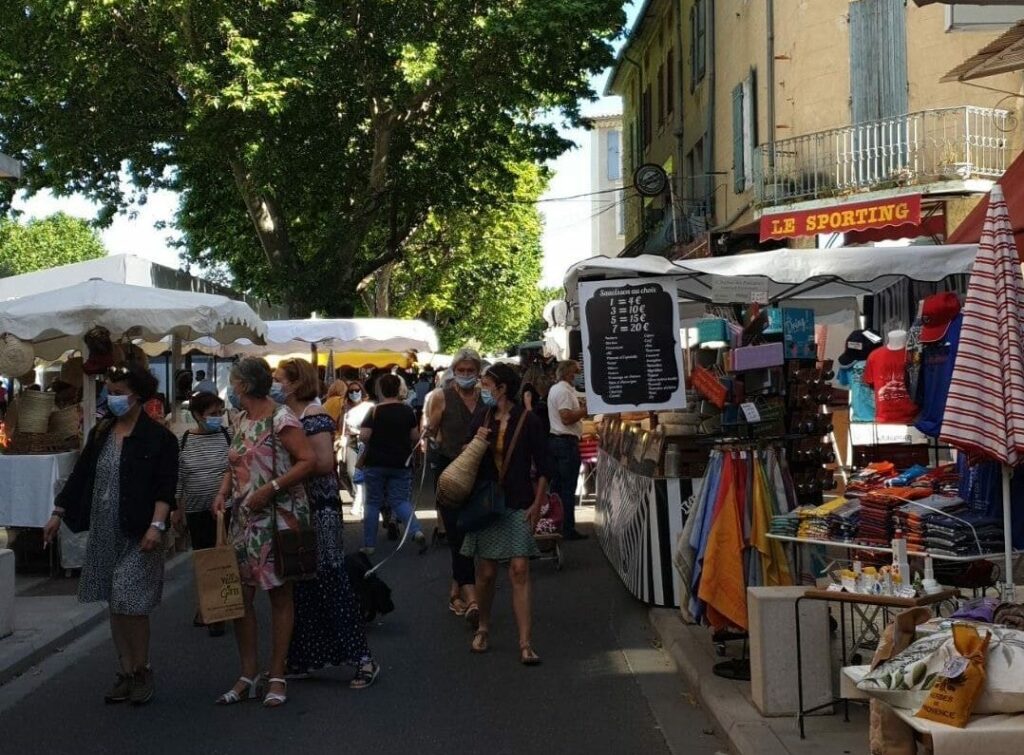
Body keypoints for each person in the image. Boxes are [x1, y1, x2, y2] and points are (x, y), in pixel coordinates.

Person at [43, 363, 179, 705]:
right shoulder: (102, 432)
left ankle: (143, 667)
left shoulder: (159, 437)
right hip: (105, 527)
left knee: (130, 598)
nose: (111, 398)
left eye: (118, 393)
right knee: (114, 600)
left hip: (139, 529)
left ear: (137, 396)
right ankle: (126, 669)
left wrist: (157, 525)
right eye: (110, 392)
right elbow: (81, 474)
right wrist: (58, 512)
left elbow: (166, 488)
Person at [211, 357, 315, 708]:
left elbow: (307, 461)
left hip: (277, 519)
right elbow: (235, 461)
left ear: (242, 385)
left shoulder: (281, 418)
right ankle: (247, 673)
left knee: (279, 596)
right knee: (241, 597)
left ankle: (277, 673)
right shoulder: (241, 419)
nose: (231, 388)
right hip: (245, 520)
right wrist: (223, 491)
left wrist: (270, 488)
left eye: (233, 382)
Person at [273, 360, 380, 689]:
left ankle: (362, 659)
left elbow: (320, 462)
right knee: (302, 582)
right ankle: (305, 656)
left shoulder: (314, 416)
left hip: (319, 508)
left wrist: (285, 467)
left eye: (278, 380)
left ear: (294, 384)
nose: (273, 385)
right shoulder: (289, 416)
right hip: (300, 508)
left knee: (331, 579)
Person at [462, 362, 549, 665]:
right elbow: (466, 458)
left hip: (518, 502)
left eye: (486, 384)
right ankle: (484, 626)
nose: (482, 389)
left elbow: (543, 467)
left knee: (519, 569)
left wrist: (537, 505)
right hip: (487, 502)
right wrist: (477, 441)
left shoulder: (529, 420)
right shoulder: (480, 418)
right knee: (485, 572)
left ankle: (525, 643)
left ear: (501, 388)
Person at [422, 348, 482, 621]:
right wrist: (429, 436)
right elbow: (431, 431)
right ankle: (472, 600)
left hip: (481, 474)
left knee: (475, 535)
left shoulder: (485, 398)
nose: (466, 375)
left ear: (478, 372)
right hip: (450, 474)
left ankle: (456, 592)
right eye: (462, 371)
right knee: (458, 536)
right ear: (454, 372)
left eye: (471, 371)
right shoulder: (440, 397)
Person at [172, 391, 231, 637]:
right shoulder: (185, 440)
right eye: (212, 414)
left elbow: (234, 469)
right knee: (204, 560)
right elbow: (178, 478)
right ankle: (207, 606)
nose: (217, 418)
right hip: (196, 510)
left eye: (220, 413)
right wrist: (177, 508)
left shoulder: (227, 436)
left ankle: (220, 610)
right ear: (197, 415)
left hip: (225, 510)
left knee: (224, 559)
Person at [360, 373, 425, 554]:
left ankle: (369, 544)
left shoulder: (374, 411)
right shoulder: (407, 411)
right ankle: (416, 530)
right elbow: (415, 437)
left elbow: (364, 436)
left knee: (372, 502)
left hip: (376, 462)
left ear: (379, 389)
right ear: (398, 389)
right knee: (400, 501)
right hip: (401, 463)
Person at [547, 360, 588, 541]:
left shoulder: (557, 389)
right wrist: (585, 410)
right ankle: (567, 528)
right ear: (566, 373)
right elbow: (566, 418)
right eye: (574, 372)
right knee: (567, 487)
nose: (576, 375)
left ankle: (556, 523)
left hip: (558, 442)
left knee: (558, 486)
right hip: (565, 443)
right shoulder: (563, 391)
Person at [342, 380, 373, 519]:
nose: (354, 393)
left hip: (366, 442)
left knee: (362, 472)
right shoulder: (346, 408)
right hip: (351, 441)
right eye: (351, 391)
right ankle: (358, 496)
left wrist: (359, 432)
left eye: (357, 390)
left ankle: (360, 500)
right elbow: (342, 427)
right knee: (348, 471)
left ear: (362, 391)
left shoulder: (369, 406)